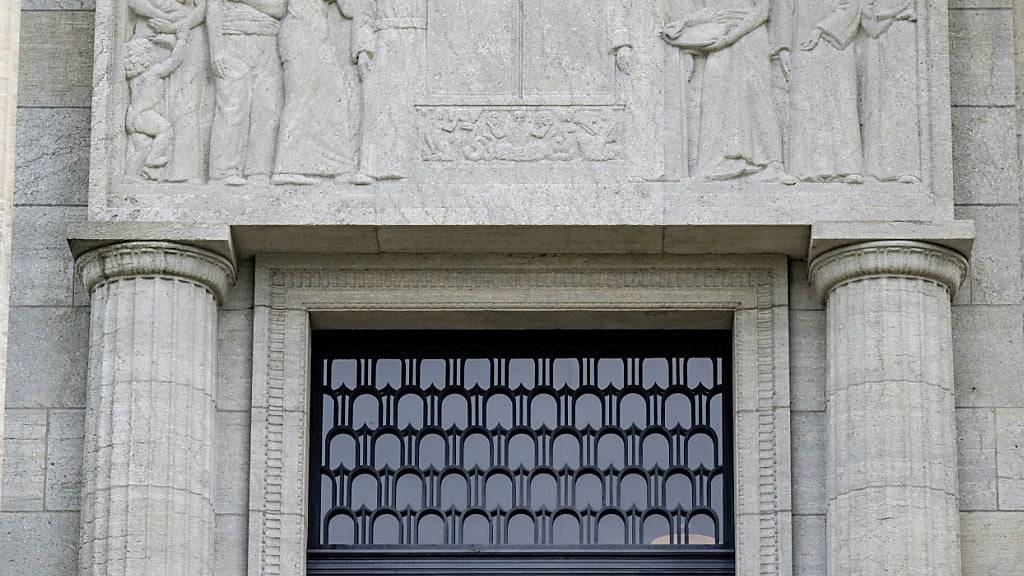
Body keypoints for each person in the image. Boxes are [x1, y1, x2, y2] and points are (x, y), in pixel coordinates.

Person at [663, 0, 795, 184]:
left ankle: (774, 165)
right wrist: (684, 23)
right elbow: (712, 10)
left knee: (758, 97)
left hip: (748, 36)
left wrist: (729, 38)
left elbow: (762, 11)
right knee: (713, 99)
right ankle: (713, 166)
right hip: (721, 37)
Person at [273, 0, 361, 185]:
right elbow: (349, 9)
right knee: (299, 100)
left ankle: (336, 165)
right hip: (300, 36)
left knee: (333, 97)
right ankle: (286, 168)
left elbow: (349, 9)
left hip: (317, 38)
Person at [206, 0, 286, 186]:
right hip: (232, 39)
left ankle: (260, 170)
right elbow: (213, 6)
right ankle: (223, 171)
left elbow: (277, 8)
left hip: (268, 40)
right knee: (231, 107)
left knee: (266, 109)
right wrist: (215, 48)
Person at [789, 0, 864, 183]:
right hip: (802, 44)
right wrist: (782, 47)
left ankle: (847, 167)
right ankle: (806, 168)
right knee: (806, 104)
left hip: (835, 46)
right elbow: (784, 9)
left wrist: (820, 29)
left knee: (841, 102)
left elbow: (851, 6)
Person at [859, 0, 920, 184]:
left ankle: (905, 166)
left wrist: (891, 16)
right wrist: (894, 15)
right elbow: (869, 18)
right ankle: (875, 168)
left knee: (901, 102)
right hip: (877, 44)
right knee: (875, 105)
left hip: (902, 41)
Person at [124, 29, 191, 180]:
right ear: (146, 56)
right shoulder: (153, 73)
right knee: (165, 130)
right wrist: (182, 41)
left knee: (141, 147)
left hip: (134, 117)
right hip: (143, 116)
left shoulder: (135, 76)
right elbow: (174, 61)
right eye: (150, 51)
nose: (154, 53)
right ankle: (153, 159)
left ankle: (138, 173)